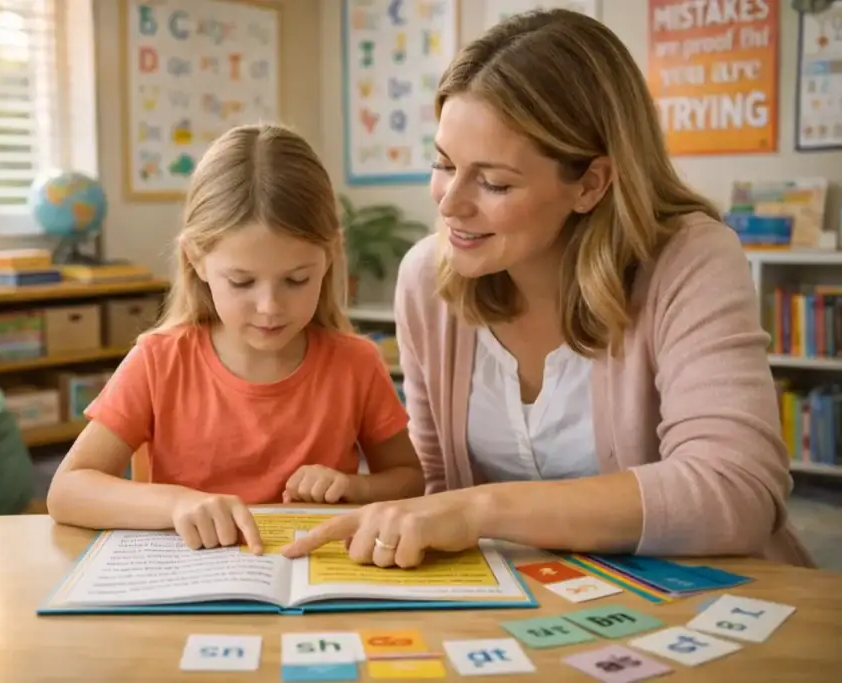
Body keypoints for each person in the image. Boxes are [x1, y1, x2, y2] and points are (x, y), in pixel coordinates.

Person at [282, 10, 814, 570]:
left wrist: (482, 510)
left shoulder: (690, 259)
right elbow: (435, 485)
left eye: (493, 182)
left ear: (590, 184)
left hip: (703, 596)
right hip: (527, 601)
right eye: (443, 164)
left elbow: (736, 489)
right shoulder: (427, 280)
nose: (449, 202)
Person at [47, 123, 424, 552]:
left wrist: (352, 488)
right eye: (242, 282)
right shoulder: (159, 361)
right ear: (197, 260)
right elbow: (67, 491)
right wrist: (175, 504)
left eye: (296, 280)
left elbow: (410, 480)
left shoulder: (356, 363)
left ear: (331, 256)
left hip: (312, 588)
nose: (270, 306)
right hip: (188, 588)